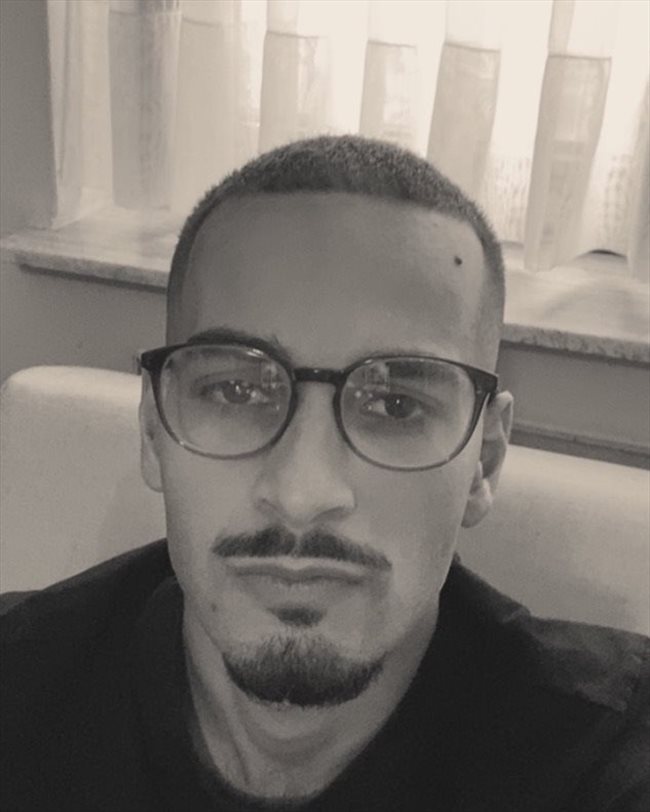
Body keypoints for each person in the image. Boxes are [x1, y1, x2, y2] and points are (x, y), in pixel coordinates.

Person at [1, 135, 648, 812]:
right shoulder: (18, 690)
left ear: (482, 460)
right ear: (153, 430)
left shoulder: (599, 761)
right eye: (236, 391)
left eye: (395, 405)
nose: (302, 494)